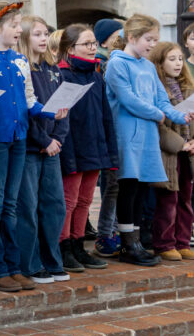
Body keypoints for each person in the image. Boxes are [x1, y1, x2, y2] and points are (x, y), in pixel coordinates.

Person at [0, 1, 65, 293]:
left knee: (11, 205)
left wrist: (51, 111)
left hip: (19, 138)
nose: (18, 30)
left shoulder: (19, 60)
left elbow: (28, 100)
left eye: (19, 24)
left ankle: (13, 266)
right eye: (14, 25)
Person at [104, 14, 191, 266]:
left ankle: (138, 240)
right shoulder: (117, 64)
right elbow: (128, 99)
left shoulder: (148, 66)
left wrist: (180, 115)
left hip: (148, 136)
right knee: (128, 187)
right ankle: (127, 243)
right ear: (131, 37)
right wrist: (159, 114)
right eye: (148, 39)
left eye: (155, 39)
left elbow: (161, 98)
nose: (153, 44)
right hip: (127, 134)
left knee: (142, 188)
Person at [55, 24, 118, 272]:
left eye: (94, 43)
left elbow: (105, 115)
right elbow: (60, 118)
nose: (93, 48)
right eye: (87, 44)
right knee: (68, 201)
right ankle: (63, 247)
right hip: (72, 145)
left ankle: (79, 244)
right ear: (71, 48)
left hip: (94, 145)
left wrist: (109, 152)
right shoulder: (62, 75)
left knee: (85, 201)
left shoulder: (96, 75)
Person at [15, 16, 72, 284]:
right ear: (25, 37)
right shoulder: (21, 68)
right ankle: (31, 263)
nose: (43, 38)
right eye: (37, 33)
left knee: (54, 206)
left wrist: (57, 138)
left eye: (45, 33)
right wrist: (43, 140)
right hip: (30, 147)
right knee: (28, 207)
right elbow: (25, 112)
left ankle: (52, 260)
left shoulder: (53, 69)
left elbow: (63, 109)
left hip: (53, 147)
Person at [148, 42, 194, 261]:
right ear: (160, 62)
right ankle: (165, 243)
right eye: (171, 59)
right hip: (169, 151)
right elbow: (159, 125)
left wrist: (192, 141)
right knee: (168, 197)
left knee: (186, 197)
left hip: (189, 150)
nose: (177, 64)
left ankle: (183, 241)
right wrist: (179, 143)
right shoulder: (156, 88)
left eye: (179, 59)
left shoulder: (187, 86)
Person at [92, 18, 124, 256]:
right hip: (108, 128)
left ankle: (116, 229)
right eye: (118, 35)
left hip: (115, 130)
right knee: (111, 184)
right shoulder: (103, 62)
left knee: (118, 185)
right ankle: (106, 233)